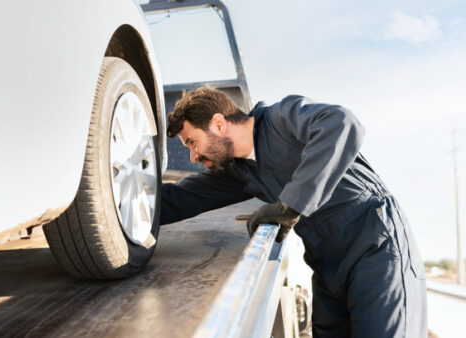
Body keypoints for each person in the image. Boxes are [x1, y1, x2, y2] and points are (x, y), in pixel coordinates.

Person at [160, 87, 427, 337]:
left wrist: (291, 205)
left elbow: (342, 123)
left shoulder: (281, 119)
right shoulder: (238, 172)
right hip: (326, 267)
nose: (193, 156)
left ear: (218, 123)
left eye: (192, 142)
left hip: (376, 248)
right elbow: (180, 198)